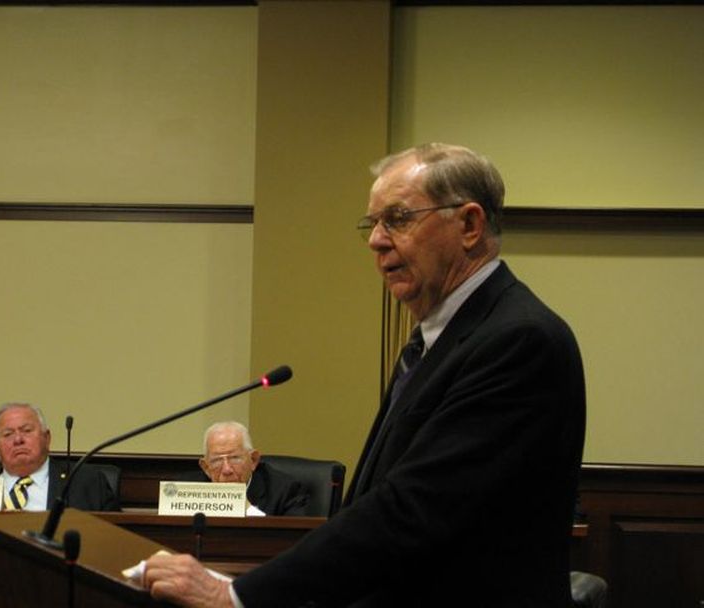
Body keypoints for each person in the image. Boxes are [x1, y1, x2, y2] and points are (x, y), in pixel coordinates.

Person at [141, 143, 586, 607]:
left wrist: (235, 595)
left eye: (397, 218)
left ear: (469, 226)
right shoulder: (435, 340)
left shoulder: (517, 340)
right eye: (371, 223)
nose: (376, 239)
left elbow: (411, 511)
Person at [0, 402, 120, 512]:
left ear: (47, 438)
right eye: (8, 434)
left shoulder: (88, 483)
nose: (18, 439)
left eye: (27, 430)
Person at [196, 421, 309, 517]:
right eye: (217, 461)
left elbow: (293, 539)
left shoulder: (286, 490)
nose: (227, 470)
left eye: (235, 458)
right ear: (206, 467)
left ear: (253, 460)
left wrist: (248, 509)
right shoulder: (188, 489)